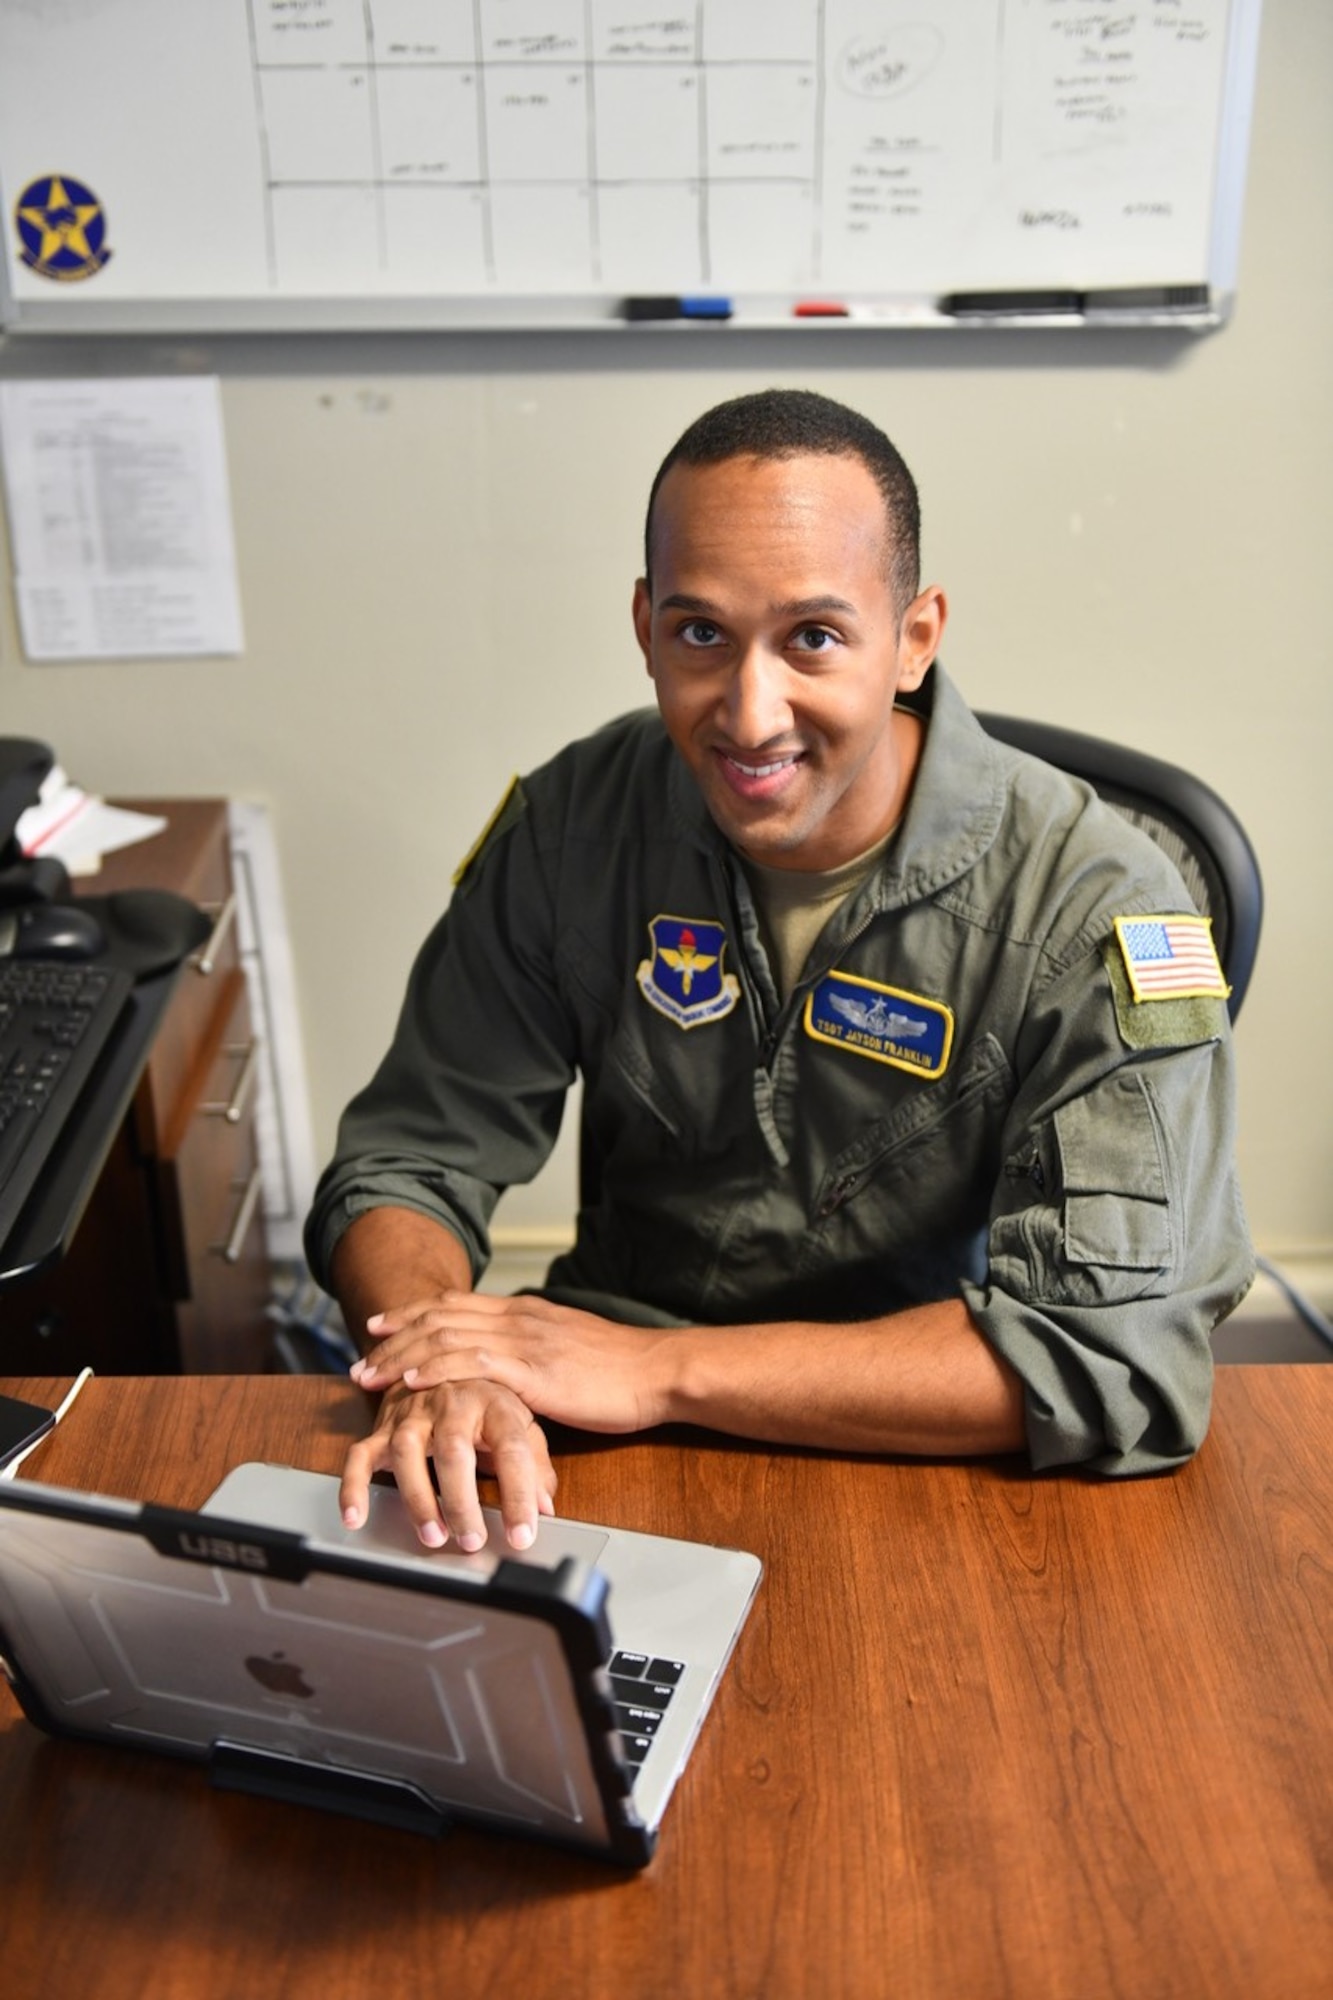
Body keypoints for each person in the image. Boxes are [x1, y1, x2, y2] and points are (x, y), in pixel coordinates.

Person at [305, 388, 1253, 1554]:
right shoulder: (573, 824)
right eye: (701, 633)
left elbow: (1115, 1352)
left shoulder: (1099, 901)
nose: (749, 715)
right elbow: (412, 1153)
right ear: (646, 625)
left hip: (930, 1451)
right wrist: (438, 1365)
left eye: (812, 636)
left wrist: (660, 1370)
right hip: (586, 1443)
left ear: (913, 636)